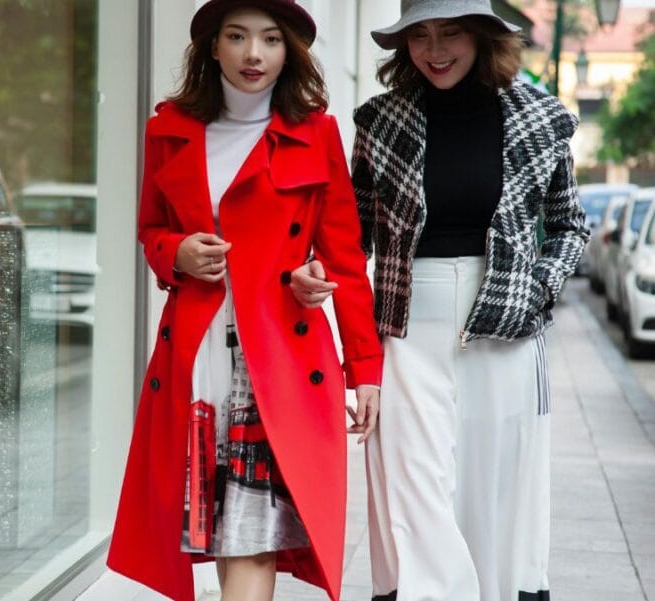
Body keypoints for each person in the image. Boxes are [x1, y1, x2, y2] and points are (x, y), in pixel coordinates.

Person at [291, 1, 589, 600]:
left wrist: (536, 288)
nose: (435, 49)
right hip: (406, 327)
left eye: (450, 32)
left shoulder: (540, 118)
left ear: (481, 36)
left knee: (497, 496)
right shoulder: (380, 121)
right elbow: (354, 232)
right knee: (414, 497)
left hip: (506, 326)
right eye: (420, 36)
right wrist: (314, 268)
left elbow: (569, 225)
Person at [106, 2, 384, 600]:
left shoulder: (316, 133)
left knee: (250, 534)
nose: (253, 54)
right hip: (197, 357)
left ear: (290, 52)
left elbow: (343, 260)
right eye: (236, 37)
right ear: (212, 47)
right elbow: (151, 230)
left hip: (277, 360)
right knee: (216, 530)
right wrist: (176, 252)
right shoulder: (169, 129)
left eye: (270, 39)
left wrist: (363, 369)